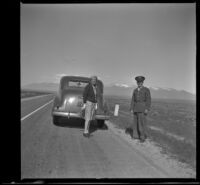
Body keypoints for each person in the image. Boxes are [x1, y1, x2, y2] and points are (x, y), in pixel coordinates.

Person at [130, 76, 151, 143]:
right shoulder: (135, 90)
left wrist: (147, 108)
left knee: (141, 124)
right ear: (137, 83)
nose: (139, 83)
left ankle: (142, 137)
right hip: (135, 109)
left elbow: (148, 100)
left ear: (142, 82)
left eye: (141, 82)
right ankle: (135, 136)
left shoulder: (146, 90)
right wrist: (131, 108)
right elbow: (133, 100)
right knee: (135, 123)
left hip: (142, 109)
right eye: (138, 82)